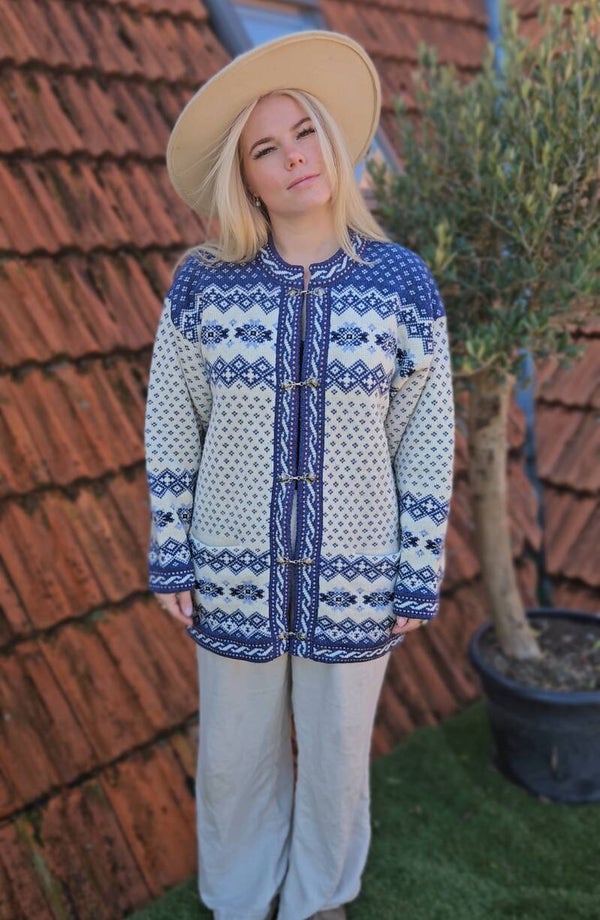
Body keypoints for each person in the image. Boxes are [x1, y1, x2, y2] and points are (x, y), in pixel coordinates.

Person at [144, 30, 454, 920]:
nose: (292, 159)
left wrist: (416, 567)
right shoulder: (204, 285)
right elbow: (172, 422)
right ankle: (239, 898)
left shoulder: (400, 285)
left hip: (357, 574)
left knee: (337, 755)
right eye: (266, 150)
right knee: (233, 757)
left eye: (304, 133)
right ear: (246, 179)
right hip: (230, 566)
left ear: (333, 140)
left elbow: (426, 438)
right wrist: (171, 549)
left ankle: (322, 897)